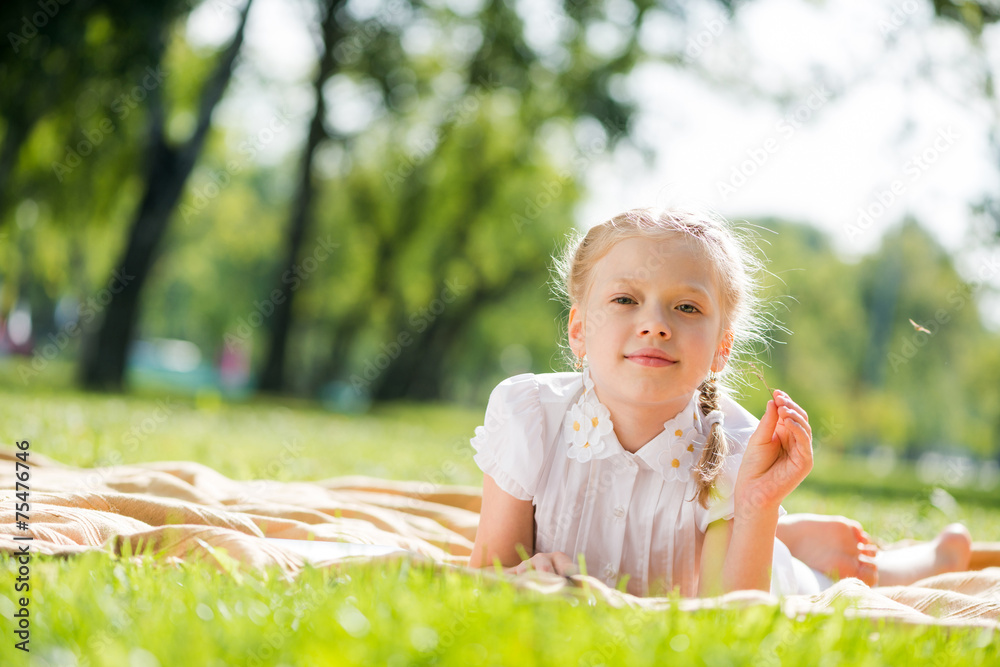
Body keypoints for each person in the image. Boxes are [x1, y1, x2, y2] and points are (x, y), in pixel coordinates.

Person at [467, 207, 972, 597]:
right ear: (579, 330)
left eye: (686, 307)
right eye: (625, 300)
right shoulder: (529, 415)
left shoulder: (730, 449)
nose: (655, 324)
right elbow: (487, 572)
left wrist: (757, 507)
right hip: (710, 541)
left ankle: (931, 558)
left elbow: (729, 613)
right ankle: (793, 535)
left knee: (834, 587)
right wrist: (520, 576)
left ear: (720, 350)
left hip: (745, 567)